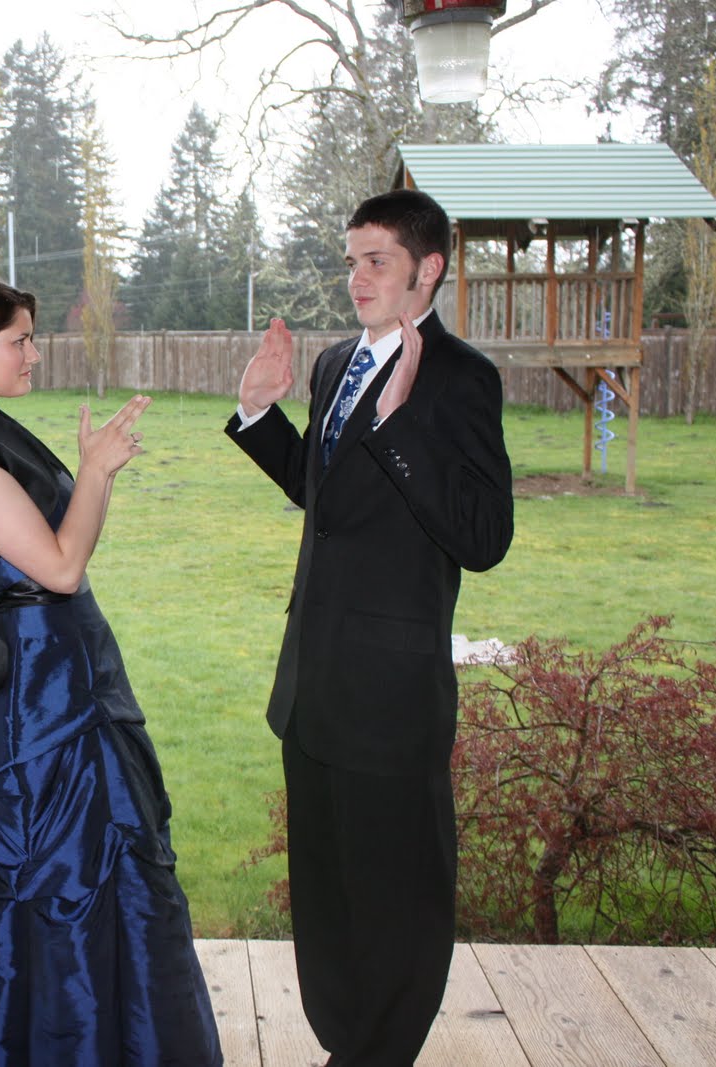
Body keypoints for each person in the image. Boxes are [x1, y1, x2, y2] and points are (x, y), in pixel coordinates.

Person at [0, 269, 222, 1066]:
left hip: (68, 662)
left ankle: (116, 1035)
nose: (34, 353)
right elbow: (60, 565)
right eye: (20, 340)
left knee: (111, 857)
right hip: (38, 693)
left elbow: (65, 561)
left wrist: (88, 465)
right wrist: (100, 469)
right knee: (48, 869)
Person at [225, 188, 514, 1066]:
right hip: (313, 682)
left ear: (427, 269)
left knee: (400, 897)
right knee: (328, 892)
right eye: (351, 259)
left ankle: (384, 1050)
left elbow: (483, 536)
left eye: (375, 260)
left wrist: (399, 429)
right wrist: (259, 414)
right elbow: (329, 501)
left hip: (391, 693)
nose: (356, 277)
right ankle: (343, 1043)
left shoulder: (463, 377)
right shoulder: (334, 362)